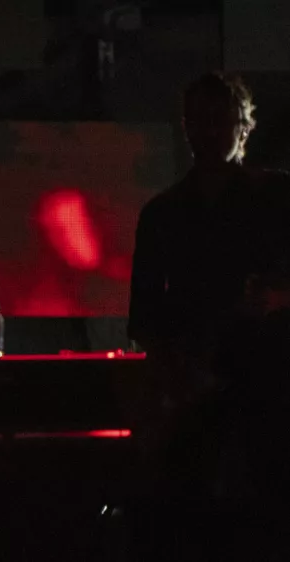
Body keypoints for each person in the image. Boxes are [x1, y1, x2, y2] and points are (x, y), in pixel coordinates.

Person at [127, 72, 290, 561]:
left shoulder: (280, 198)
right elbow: (147, 316)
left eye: (222, 120)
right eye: (201, 120)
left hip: (270, 391)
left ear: (245, 126)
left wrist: (281, 298)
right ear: (186, 127)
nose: (212, 131)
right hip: (197, 395)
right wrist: (177, 385)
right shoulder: (162, 215)